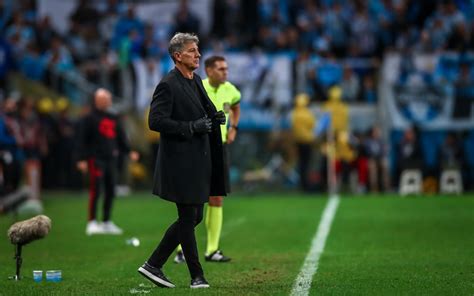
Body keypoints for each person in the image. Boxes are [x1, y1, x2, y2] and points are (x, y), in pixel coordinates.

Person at [138, 33, 226, 289]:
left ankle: (154, 264)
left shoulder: (195, 80)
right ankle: (196, 277)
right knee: (189, 217)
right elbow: (155, 121)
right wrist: (191, 126)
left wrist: (215, 117)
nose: (198, 54)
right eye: (192, 51)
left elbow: (206, 110)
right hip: (179, 162)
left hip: (197, 160)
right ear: (178, 56)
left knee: (195, 216)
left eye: (197, 50)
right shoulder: (168, 84)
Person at [174, 55, 240, 263]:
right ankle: (180, 249)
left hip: (220, 148)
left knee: (217, 198)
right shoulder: (198, 87)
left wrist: (233, 127)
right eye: (221, 69)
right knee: (193, 200)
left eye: (226, 69)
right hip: (201, 148)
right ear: (209, 70)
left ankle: (212, 250)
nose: (225, 73)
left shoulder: (231, 90)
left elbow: (236, 106)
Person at [76, 88, 139, 235]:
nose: (110, 101)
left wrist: (129, 151)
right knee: (96, 190)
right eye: (107, 99)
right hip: (95, 159)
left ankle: (106, 222)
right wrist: (81, 159)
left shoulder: (113, 117)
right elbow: (81, 140)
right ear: (98, 100)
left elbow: (120, 137)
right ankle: (91, 222)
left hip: (111, 159)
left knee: (111, 190)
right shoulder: (89, 118)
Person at [291, 93, 315, 192]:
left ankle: (302, 184)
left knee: (301, 163)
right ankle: (306, 185)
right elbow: (313, 125)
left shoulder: (295, 114)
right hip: (307, 142)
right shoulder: (307, 114)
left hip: (298, 142)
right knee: (306, 163)